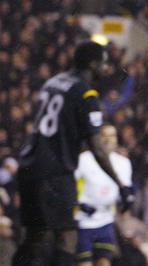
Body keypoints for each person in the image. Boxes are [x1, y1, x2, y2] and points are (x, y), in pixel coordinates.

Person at [13, 41, 135, 266]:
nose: (105, 69)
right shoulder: (86, 94)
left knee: (34, 237)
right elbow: (97, 147)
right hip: (55, 172)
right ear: (92, 64)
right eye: (103, 63)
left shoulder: (54, 82)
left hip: (29, 167)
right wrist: (121, 185)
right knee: (67, 236)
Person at [74, 124, 133, 266]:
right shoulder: (84, 159)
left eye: (112, 135)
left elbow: (125, 191)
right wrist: (79, 204)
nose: (108, 139)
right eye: (104, 135)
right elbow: (69, 186)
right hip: (84, 222)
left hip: (106, 221)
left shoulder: (124, 163)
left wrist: (127, 203)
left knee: (104, 263)